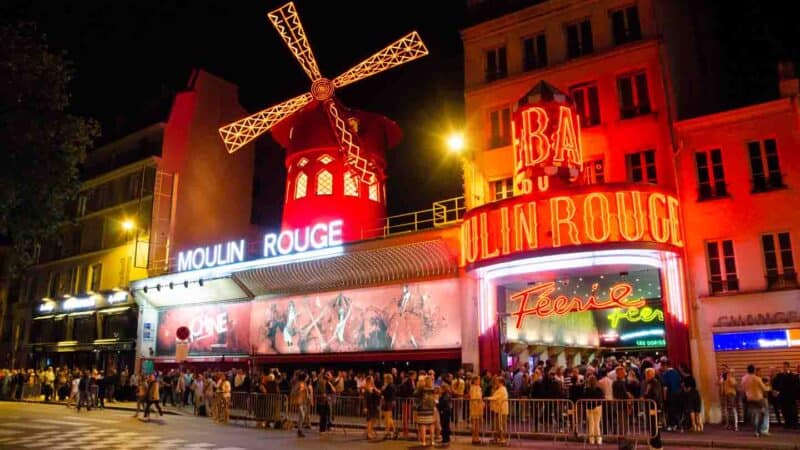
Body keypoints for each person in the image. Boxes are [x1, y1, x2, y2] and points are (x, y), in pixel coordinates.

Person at [742, 364, 770, 437]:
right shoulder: (757, 378)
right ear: (754, 370)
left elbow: (743, 388)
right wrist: (769, 387)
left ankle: (756, 431)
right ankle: (762, 430)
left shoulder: (744, 378)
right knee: (765, 413)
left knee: (754, 416)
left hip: (749, 399)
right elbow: (764, 388)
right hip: (759, 399)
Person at [642, 368, 663, 450]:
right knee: (651, 425)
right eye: (647, 374)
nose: (647, 376)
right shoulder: (648, 383)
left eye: (649, 374)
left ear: (653, 374)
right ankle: (653, 442)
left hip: (654, 406)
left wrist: (645, 397)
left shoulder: (655, 383)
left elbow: (655, 394)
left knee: (654, 425)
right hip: (650, 406)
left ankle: (657, 444)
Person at [773, 362, 798, 429]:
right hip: (782, 396)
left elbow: (794, 386)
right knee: (784, 410)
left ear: (788, 367)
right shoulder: (779, 375)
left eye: (785, 367)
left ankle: (793, 424)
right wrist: (776, 391)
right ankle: (787, 423)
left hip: (790, 396)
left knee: (792, 411)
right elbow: (775, 383)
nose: (784, 368)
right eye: (783, 367)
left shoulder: (792, 375)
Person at [582, 375, 605, 446]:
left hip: (589, 408)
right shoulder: (599, 389)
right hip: (598, 407)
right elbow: (602, 397)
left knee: (591, 424)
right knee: (597, 424)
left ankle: (591, 440)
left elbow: (584, 398)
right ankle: (599, 440)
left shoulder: (586, 389)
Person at [487, 375, 509, 445]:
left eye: (497, 382)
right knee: (498, 424)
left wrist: (487, 398)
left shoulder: (502, 389)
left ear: (501, 382)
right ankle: (498, 437)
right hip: (499, 409)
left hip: (502, 409)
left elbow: (496, 397)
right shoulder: (500, 389)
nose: (496, 383)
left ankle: (502, 438)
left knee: (501, 424)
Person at [416, 376, 436, 447]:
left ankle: (424, 441)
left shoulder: (421, 388)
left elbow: (415, 394)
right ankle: (432, 441)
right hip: (430, 409)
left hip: (422, 409)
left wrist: (420, 384)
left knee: (423, 425)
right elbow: (435, 399)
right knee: (431, 425)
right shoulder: (433, 389)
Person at [718, 365, 738, 431]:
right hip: (724, 394)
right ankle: (728, 424)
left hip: (731, 394)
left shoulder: (730, 375)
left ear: (727, 369)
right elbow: (718, 383)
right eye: (721, 369)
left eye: (724, 369)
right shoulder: (722, 376)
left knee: (732, 409)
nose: (722, 370)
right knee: (727, 410)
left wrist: (729, 379)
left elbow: (734, 384)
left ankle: (735, 426)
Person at [362, 375, 381, 440]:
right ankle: (368, 434)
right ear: (369, 380)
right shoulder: (366, 388)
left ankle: (370, 431)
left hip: (374, 405)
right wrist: (365, 407)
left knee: (374, 419)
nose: (373, 380)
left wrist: (375, 388)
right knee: (369, 420)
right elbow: (365, 398)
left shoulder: (373, 387)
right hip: (369, 405)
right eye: (372, 379)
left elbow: (379, 393)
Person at [381, 373, 398, 439]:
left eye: (385, 378)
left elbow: (384, 394)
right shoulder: (392, 386)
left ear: (387, 379)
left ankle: (387, 432)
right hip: (389, 402)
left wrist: (383, 389)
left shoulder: (389, 386)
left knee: (387, 418)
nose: (384, 380)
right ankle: (394, 430)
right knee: (389, 418)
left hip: (388, 402)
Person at [469, 375, 484, 445]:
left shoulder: (478, 387)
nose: (479, 381)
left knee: (478, 423)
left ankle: (477, 437)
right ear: (474, 380)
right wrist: (477, 404)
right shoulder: (473, 388)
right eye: (478, 380)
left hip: (478, 407)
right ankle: (474, 438)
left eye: (479, 380)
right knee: (474, 423)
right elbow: (474, 398)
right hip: (475, 407)